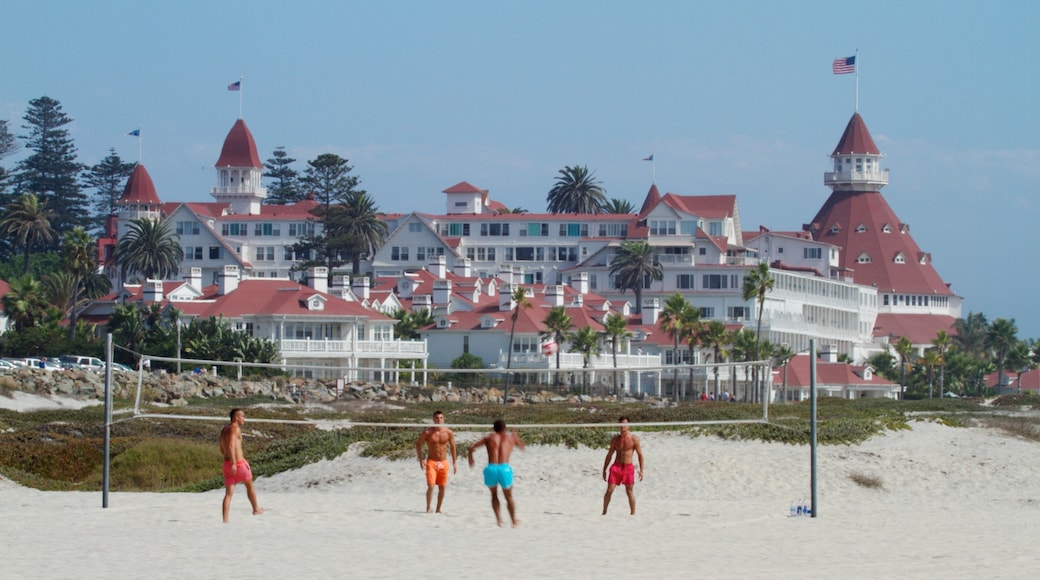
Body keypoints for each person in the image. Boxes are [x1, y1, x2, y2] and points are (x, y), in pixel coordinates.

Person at [468, 419, 525, 527]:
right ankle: (513, 521)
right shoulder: (511, 438)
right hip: (504, 468)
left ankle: (499, 520)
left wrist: (471, 458)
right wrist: (515, 436)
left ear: (494, 428)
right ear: (505, 428)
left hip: (491, 468)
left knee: (494, 495)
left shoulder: (489, 437)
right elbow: (522, 447)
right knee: (508, 496)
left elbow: (471, 447)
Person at [219, 408, 263, 522]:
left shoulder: (224, 429)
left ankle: (225, 519)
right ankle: (256, 509)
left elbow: (221, 448)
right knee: (249, 486)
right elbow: (230, 445)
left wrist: (229, 460)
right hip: (238, 465)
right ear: (236, 417)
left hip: (226, 464)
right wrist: (234, 462)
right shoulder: (235, 428)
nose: (244, 419)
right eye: (242, 416)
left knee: (228, 494)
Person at [415, 410, 457, 513]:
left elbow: (452, 447)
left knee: (442, 487)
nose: (439, 420)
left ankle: (438, 509)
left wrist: (454, 462)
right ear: (433, 419)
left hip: (443, 462)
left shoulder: (448, 432)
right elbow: (418, 444)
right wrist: (421, 459)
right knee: (431, 485)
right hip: (432, 462)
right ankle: (428, 507)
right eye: (437, 418)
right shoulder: (428, 432)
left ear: (444, 419)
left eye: (441, 418)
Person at [602, 416, 645, 515]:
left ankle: (633, 513)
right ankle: (604, 511)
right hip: (616, 467)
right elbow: (609, 455)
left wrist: (642, 470)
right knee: (609, 490)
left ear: (628, 426)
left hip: (628, 467)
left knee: (629, 491)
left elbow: (640, 455)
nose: (623, 426)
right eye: (621, 424)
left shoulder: (634, 439)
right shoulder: (615, 440)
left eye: (625, 424)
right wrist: (604, 469)